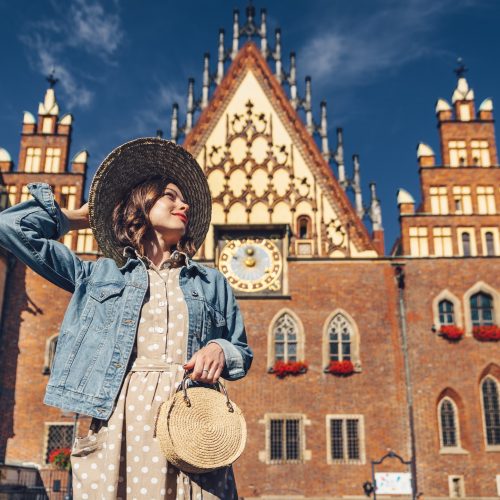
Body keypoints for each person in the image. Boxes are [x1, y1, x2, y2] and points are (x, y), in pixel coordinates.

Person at [0, 138, 253, 499]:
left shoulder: (211, 282)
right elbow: (10, 226)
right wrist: (78, 217)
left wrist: (219, 349)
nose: (183, 204)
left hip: (191, 422)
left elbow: (241, 351)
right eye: (170, 195)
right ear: (141, 203)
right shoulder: (99, 274)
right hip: (117, 417)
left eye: (185, 200)